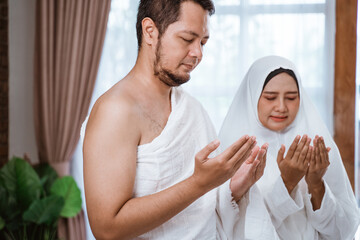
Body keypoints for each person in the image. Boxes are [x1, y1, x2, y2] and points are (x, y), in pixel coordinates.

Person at [82, 0, 268, 239]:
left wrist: (234, 187)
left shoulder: (191, 108)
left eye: (202, 42)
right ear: (150, 31)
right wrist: (198, 184)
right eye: (187, 39)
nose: (198, 53)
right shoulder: (115, 111)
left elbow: (200, 212)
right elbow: (107, 228)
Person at [219, 55, 360, 239]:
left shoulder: (315, 147)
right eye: (270, 97)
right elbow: (236, 228)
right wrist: (287, 181)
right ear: (252, 97)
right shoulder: (233, 151)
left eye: (291, 97)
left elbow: (342, 231)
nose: (281, 107)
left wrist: (316, 185)